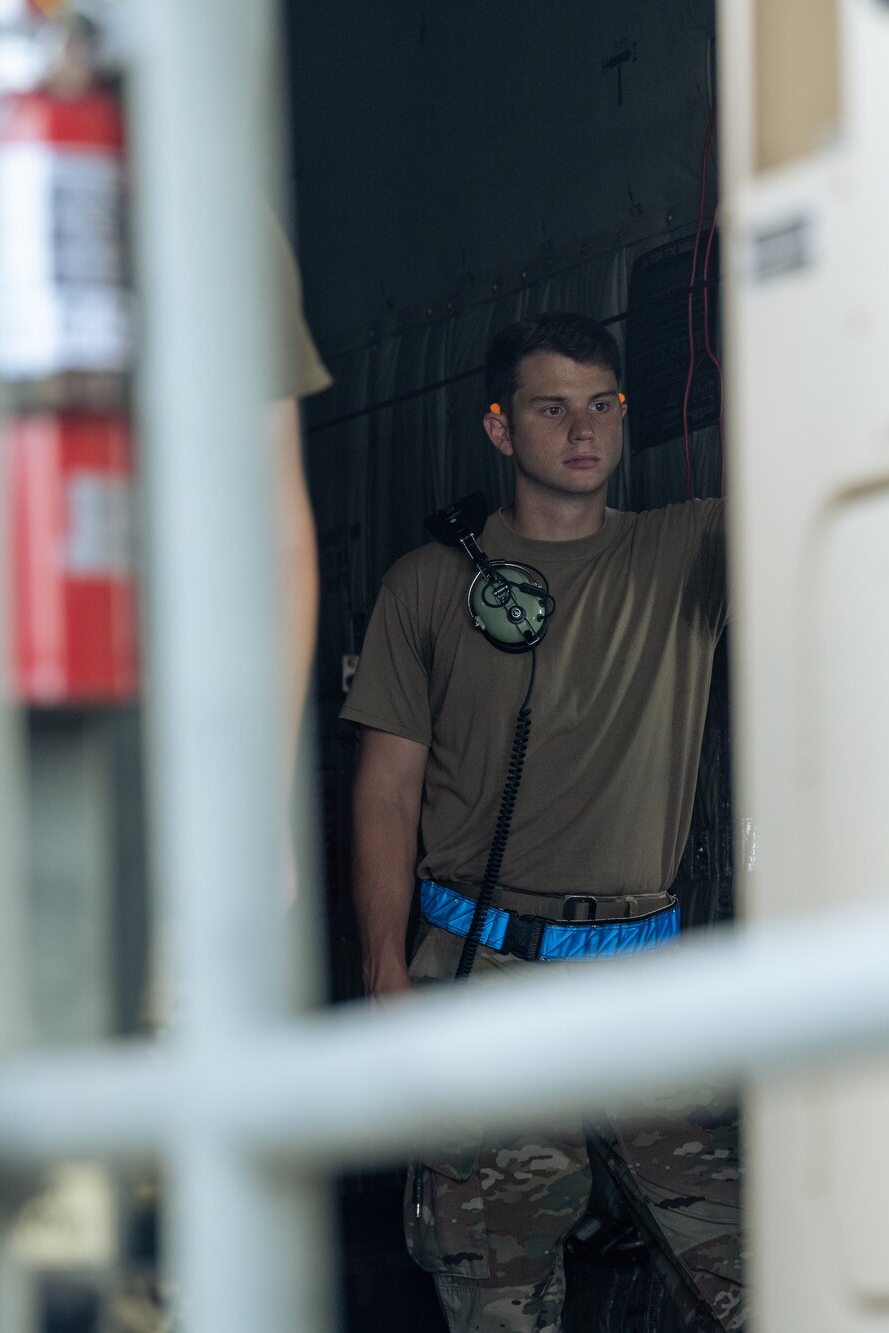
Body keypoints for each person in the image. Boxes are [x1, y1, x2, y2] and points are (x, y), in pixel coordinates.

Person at [341, 312, 730, 1332]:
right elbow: (384, 788)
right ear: (501, 429)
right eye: (552, 407)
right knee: (497, 1297)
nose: (583, 428)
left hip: (646, 975)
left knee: (759, 1266)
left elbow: (824, 471)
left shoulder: (684, 550)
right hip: (486, 977)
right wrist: (384, 972)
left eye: (602, 404)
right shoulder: (430, 585)